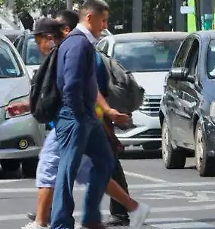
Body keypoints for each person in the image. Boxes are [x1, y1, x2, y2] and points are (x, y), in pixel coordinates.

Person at [23, 18, 151, 229]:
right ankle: (131, 207)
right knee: (88, 171)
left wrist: (105, 120)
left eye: (40, 40)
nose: (39, 47)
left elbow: (92, 92)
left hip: (76, 121)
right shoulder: (67, 51)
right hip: (75, 122)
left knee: (50, 167)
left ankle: (44, 221)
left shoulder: (80, 52)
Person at [50, 0, 122, 229]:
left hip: (86, 116)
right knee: (67, 169)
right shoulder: (78, 44)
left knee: (104, 161)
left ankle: (90, 216)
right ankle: (61, 222)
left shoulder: (82, 43)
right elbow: (70, 85)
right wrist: (80, 114)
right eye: (103, 20)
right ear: (90, 17)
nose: (105, 25)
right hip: (75, 117)